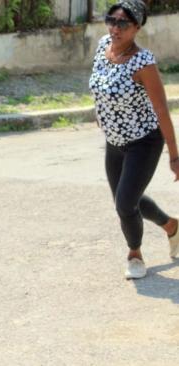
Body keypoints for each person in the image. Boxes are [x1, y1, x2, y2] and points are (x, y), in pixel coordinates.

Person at [89, 0, 179, 279]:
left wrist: (175, 156)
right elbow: (99, 85)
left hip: (144, 142)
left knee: (125, 204)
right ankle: (172, 227)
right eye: (111, 20)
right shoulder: (103, 47)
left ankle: (135, 255)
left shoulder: (143, 61)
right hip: (114, 141)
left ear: (137, 28)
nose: (115, 28)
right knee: (127, 199)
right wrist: (101, 113)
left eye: (123, 23)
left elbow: (162, 109)